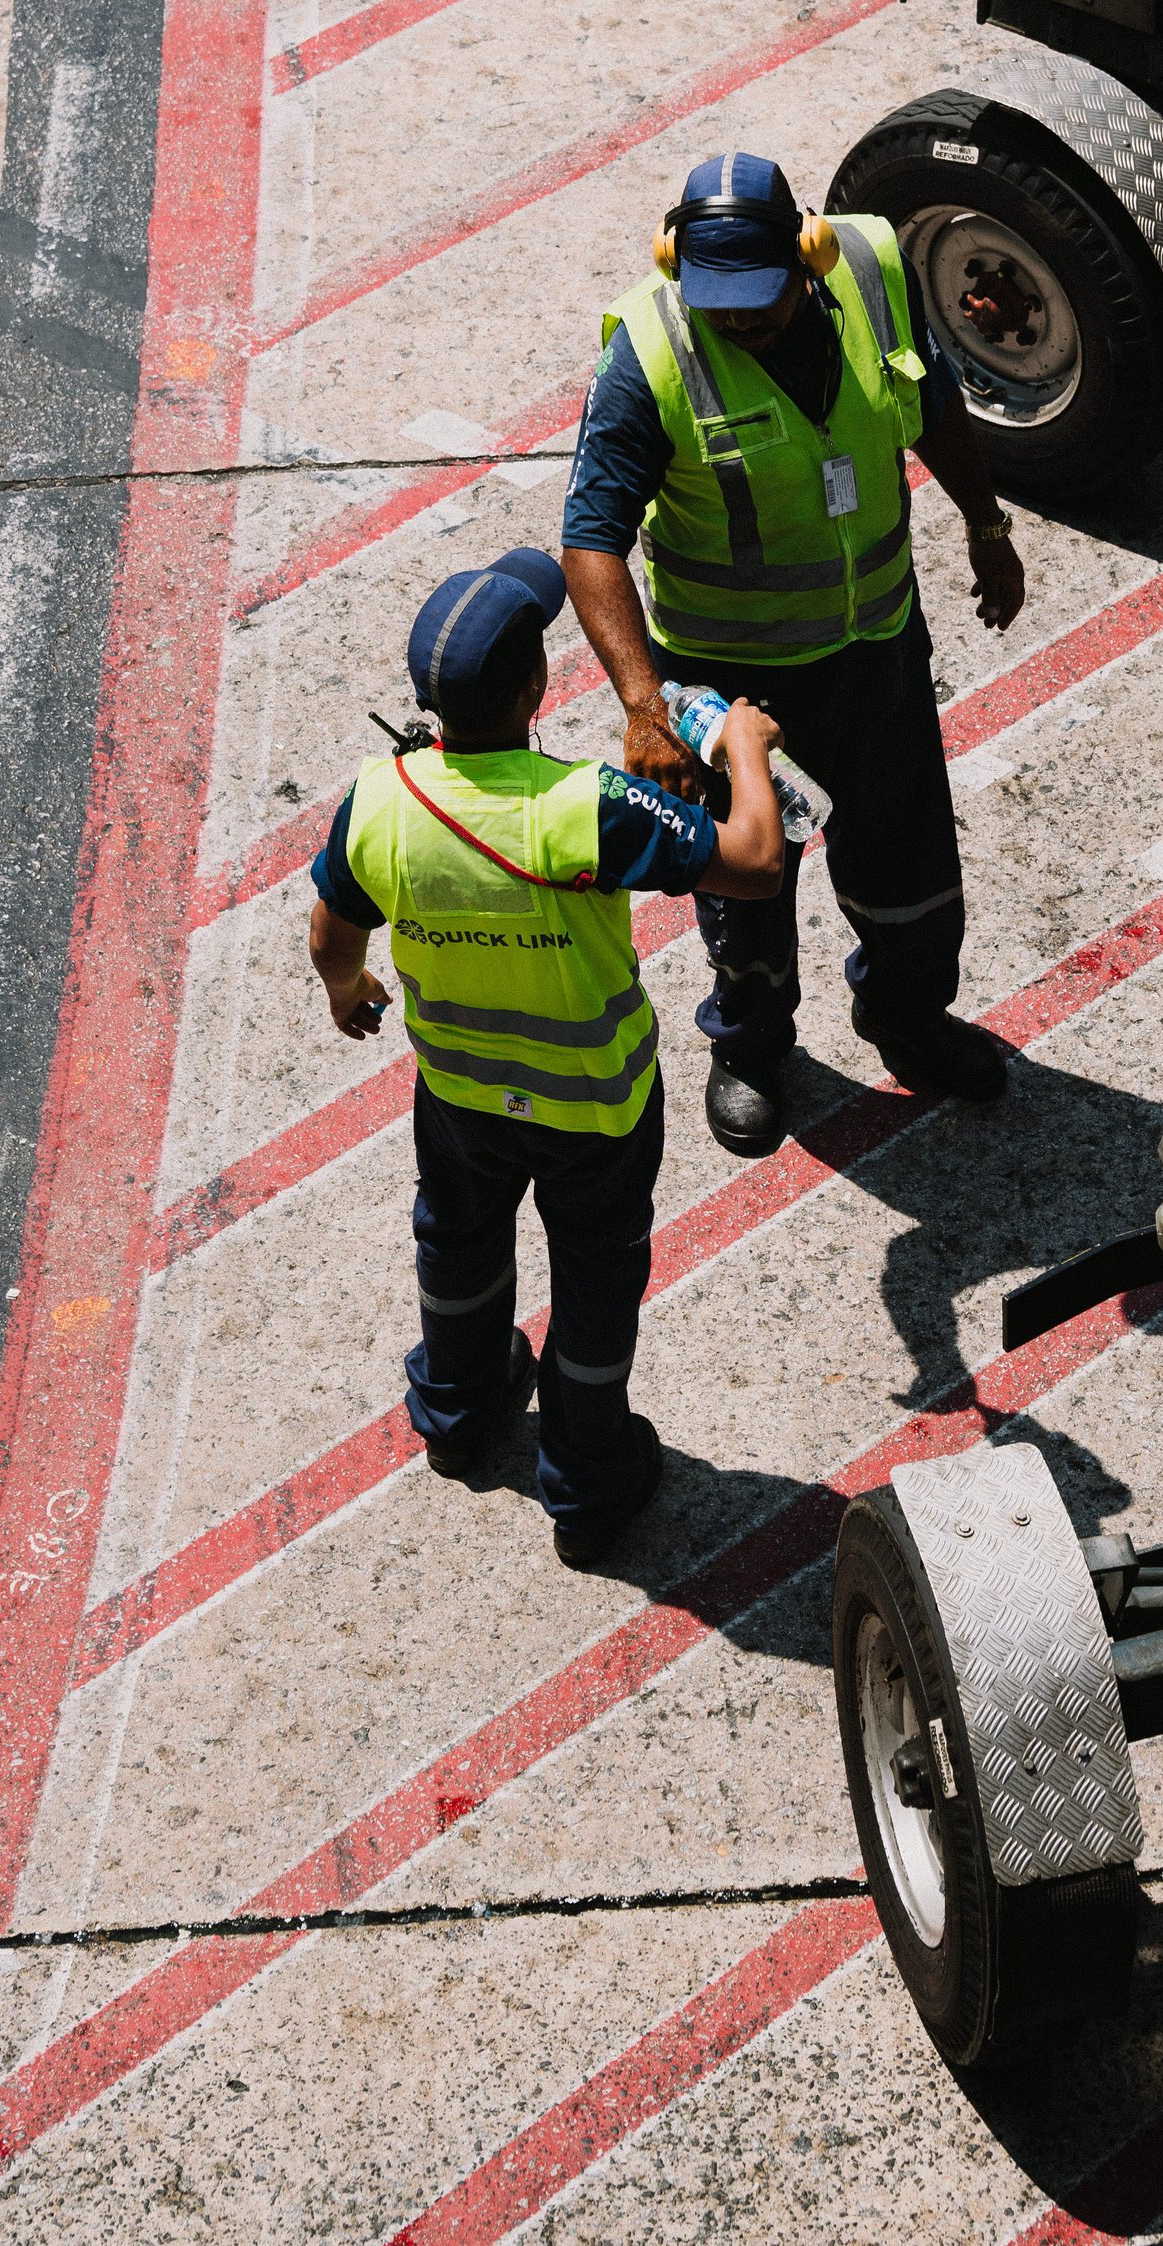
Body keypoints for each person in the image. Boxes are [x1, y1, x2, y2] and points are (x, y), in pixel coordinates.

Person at [308, 545, 783, 1568]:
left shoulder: (378, 803)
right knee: (595, 1283)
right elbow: (751, 860)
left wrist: (347, 989)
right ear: (535, 688)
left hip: (462, 1094)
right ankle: (586, 1478)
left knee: (458, 1246)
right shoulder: (587, 808)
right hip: (593, 1111)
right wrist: (743, 748)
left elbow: (330, 934)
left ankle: (459, 1410)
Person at [562, 151, 1026, 1165]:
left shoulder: (869, 266)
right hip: (731, 688)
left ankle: (905, 1020)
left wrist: (985, 524)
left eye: (759, 302)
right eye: (715, 301)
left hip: (875, 652)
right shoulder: (649, 352)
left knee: (910, 869)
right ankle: (752, 1050)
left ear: (807, 256)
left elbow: (930, 396)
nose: (737, 321)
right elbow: (590, 539)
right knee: (745, 889)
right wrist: (646, 705)